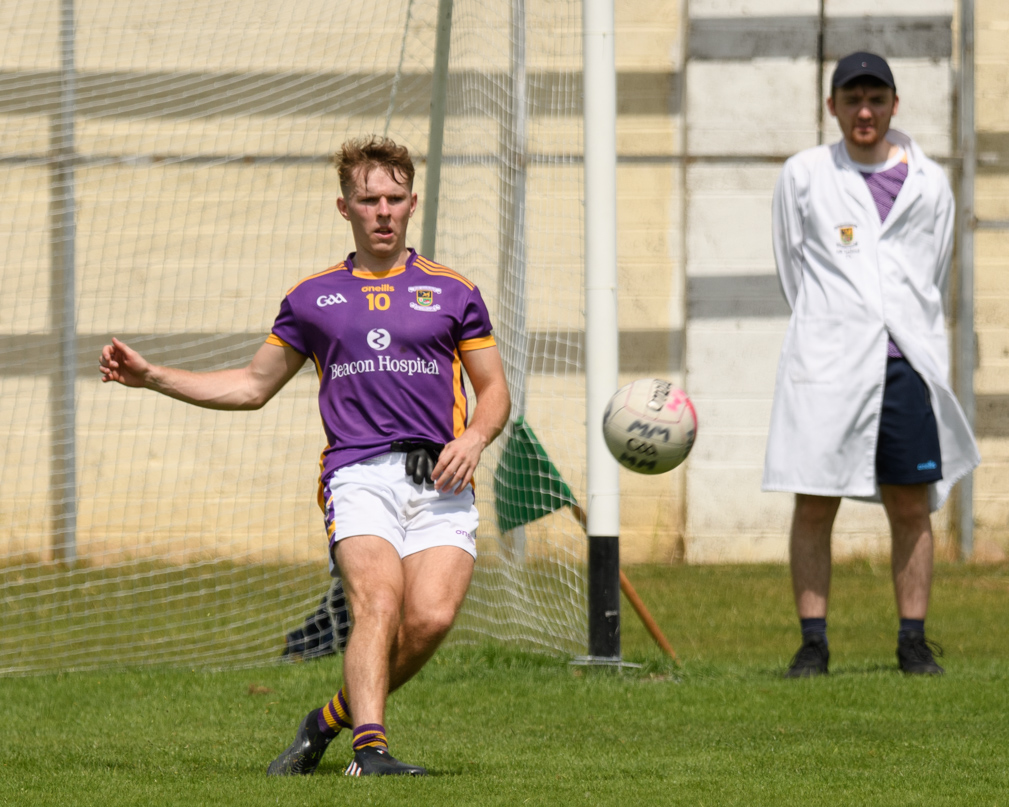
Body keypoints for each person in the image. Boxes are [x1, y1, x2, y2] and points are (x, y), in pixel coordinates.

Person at [99, 136, 511, 774]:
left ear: (412, 204)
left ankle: (324, 720)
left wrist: (475, 437)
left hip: (441, 477)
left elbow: (494, 392)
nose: (382, 211)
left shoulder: (453, 291)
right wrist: (154, 376)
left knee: (428, 620)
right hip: (358, 474)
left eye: (394, 199)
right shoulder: (313, 298)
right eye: (368, 199)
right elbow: (251, 386)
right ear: (343, 207)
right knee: (379, 602)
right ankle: (369, 749)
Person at [763, 52, 980, 678]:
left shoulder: (931, 183)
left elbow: (930, 271)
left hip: (905, 365)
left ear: (894, 104)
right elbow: (791, 267)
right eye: (852, 99)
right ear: (831, 106)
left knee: (911, 505)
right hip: (828, 363)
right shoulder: (804, 175)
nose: (865, 111)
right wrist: (832, 325)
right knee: (814, 501)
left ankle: (913, 641)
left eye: (876, 99)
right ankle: (813, 644)